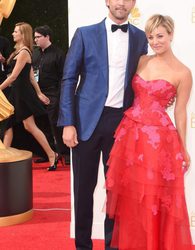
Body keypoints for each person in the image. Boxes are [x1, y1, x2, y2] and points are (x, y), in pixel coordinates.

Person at [57, 0, 148, 249]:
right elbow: (68, 78)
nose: (121, 3)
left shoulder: (140, 38)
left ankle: (113, 245)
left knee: (117, 192)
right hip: (86, 122)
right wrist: (68, 122)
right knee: (83, 190)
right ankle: (83, 245)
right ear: (107, 1)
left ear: (133, 3)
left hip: (122, 124)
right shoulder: (85, 33)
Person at [105, 14, 193, 250]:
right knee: (131, 197)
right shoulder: (142, 60)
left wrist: (183, 148)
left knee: (153, 197)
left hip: (158, 142)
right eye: (151, 37)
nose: (155, 41)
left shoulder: (183, 73)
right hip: (130, 137)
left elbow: (181, 113)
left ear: (171, 35)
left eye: (160, 36)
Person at [0, 22, 58, 171]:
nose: (13, 33)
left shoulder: (24, 52)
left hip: (22, 94)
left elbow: (13, 77)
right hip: (18, 93)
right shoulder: (20, 51)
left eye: (16, 31)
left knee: (28, 126)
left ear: (22, 34)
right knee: (9, 124)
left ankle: (52, 155)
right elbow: (32, 77)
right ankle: (4, 159)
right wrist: (39, 93)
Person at [32, 25, 69, 167]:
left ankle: (64, 153)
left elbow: (63, 76)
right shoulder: (34, 53)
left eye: (38, 37)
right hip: (37, 93)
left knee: (55, 124)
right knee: (41, 124)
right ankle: (49, 153)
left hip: (53, 93)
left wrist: (59, 95)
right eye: (34, 37)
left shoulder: (59, 54)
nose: (35, 40)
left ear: (47, 37)